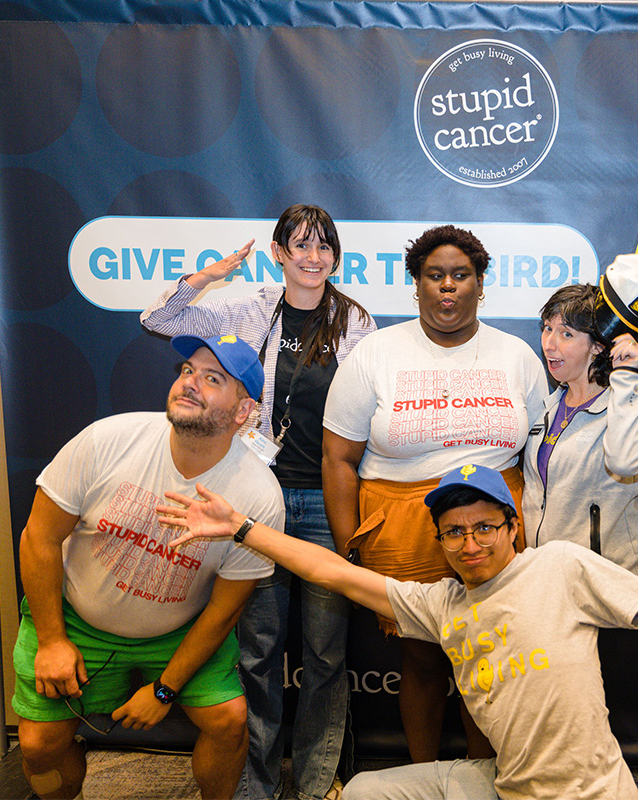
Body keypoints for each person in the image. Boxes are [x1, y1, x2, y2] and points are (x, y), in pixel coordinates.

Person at [158, 464, 638, 800]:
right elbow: (337, 573)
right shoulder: (440, 604)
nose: (470, 543)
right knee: (362, 795)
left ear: (512, 528)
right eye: (453, 533)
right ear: (440, 542)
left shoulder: (560, 567)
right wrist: (246, 528)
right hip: (500, 785)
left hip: (589, 795)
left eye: (484, 527)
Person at [141, 204, 375, 800]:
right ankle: (258, 780)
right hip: (257, 497)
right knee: (259, 651)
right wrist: (209, 275)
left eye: (324, 246)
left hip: (326, 501)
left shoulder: (355, 321)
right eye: (299, 245)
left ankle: (320, 779)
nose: (313, 257)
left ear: (335, 257)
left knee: (326, 651)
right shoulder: (249, 304)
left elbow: (371, 408)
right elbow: (155, 317)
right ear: (278, 253)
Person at [13, 334, 284, 800]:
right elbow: (39, 537)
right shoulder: (107, 440)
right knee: (38, 747)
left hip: (179, 630)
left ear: (243, 412)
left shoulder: (259, 495)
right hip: (78, 619)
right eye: (187, 371)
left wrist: (165, 690)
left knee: (229, 721)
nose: (190, 383)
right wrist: (54, 640)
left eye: (213, 378)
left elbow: (223, 610)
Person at [321, 224, 548, 761]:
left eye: (461, 275)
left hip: (496, 526)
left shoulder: (516, 356)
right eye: (435, 275)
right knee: (421, 658)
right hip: (404, 528)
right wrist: (347, 549)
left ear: (480, 284)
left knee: (486, 656)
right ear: (416, 285)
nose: (448, 286)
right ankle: (423, 776)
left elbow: (541, 458)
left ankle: (482, 779)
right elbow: (338, 459)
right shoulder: (375, 353)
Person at [522, 283, 638, 577]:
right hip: (546, 580)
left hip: (608, 586)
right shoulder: (549, 406)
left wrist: (624, 381)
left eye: (567, 334)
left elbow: (625, 465)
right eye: (547, 328)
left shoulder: (633, 403)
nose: (549, 343)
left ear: (598, 346)